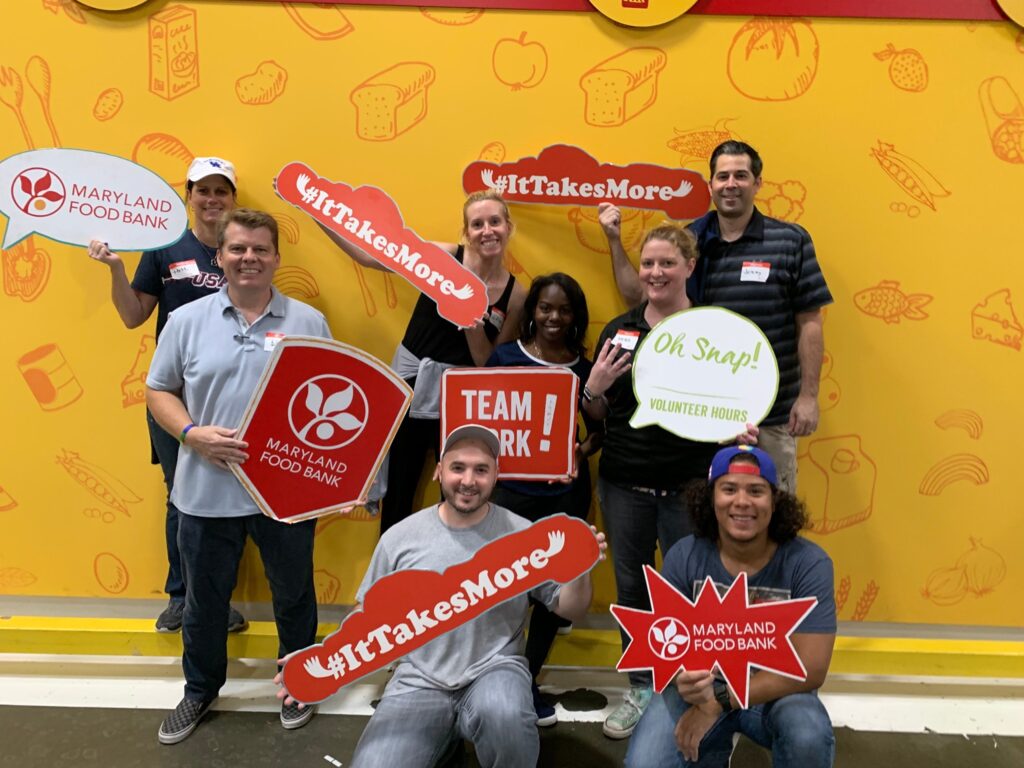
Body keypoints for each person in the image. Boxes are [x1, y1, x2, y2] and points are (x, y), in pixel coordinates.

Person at [146, 208, 331, 745]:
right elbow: (158, 390)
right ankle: (199, 691)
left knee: (293, 594)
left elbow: (330, 408)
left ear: (276, 257)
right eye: (237, 249)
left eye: (260, 249)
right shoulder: (186, 321)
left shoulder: (309, 323)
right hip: (204, 492)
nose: (249, 258)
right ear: (220, 257)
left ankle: (298, 682)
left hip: (284, 496)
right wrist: (191, 434)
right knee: (204, 602)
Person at [320, 424, 606, 768]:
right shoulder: (400, 538)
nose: (468, 480)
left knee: (507, 720)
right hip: (419, 678)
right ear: (440, 471)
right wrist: (315, 671)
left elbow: (570, 609)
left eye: (481, 469)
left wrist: (579, 570)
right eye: (458, 467)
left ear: (496, 475)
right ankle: (444, 743)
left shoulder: (525, 536)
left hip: (495, 670)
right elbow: (365, 618)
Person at [600, 140, 833, 492]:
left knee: (771, 519)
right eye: (722, 176)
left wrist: (808, 397)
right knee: (710, 525)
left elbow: (809, 322)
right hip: (700, 423)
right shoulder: (692, 238)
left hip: (768, 418)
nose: (731, 184)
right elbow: (641, 294)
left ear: (758, 183)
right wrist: (614, 241)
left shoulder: (790, 241)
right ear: (710, 185)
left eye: (741, 175)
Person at [86, 157, 246, 634]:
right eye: (204, 190)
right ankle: (183, 597)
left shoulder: (245, 246)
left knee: (235, 499)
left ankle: (215, 600)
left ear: (233, 197)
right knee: (181, 497)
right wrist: (115, 268)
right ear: (189, 194)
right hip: (173, 397)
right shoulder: (163, 245)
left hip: (231, 394)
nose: (212, 199)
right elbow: (134, 316)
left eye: (222, 191)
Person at [581, 223, 720, 740]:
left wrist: (740, 429)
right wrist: (591, 390)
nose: (656, 273)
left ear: (689, 266)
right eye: (648, 264)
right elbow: (597, 415)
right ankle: (641, 685)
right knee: (633, 591)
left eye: (667, 263)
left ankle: (696, 693)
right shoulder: (620, 331)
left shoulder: (713, 332)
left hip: (689, 487)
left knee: (692, 593)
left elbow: (732, 403)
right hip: (625, 485)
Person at [319, 191, 526, 533]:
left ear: (508, 227)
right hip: (411, 383)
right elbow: (372, 257)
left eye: (494, 221)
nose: (487, 230)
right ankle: (391, 574)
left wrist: (472, 327)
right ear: (466, 231)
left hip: (463, 395)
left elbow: (489, 363)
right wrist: (316, 212)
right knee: (399, 483)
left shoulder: (516, 293)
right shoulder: (445, 257)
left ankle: (455, 572)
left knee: (464, 488)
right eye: (477, 224)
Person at [625, 444, 836, 768]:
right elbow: (664, 645)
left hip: (773, 691)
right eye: (729, 489)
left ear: (774, 500)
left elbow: (811, 667)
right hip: (701, 690)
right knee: (645, 763)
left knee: (806, 733)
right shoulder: (684, 556)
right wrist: (682, 679)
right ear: (711, 498)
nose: (742, 501)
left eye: (756, 490)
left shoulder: (807, 563)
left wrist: (720, 702)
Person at [486, 272, 603, 726]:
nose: (554, 317)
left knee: (555, 591)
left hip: (565, 493)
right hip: (509, 494)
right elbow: (482, 418)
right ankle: (504, 676)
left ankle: (527, 678)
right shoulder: (504, 357)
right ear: (532, 311)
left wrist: (579, 450)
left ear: (576, 317)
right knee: (509, 588)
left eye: (564, 310)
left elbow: (598, 435)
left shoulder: (584, 367)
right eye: (545, 308)